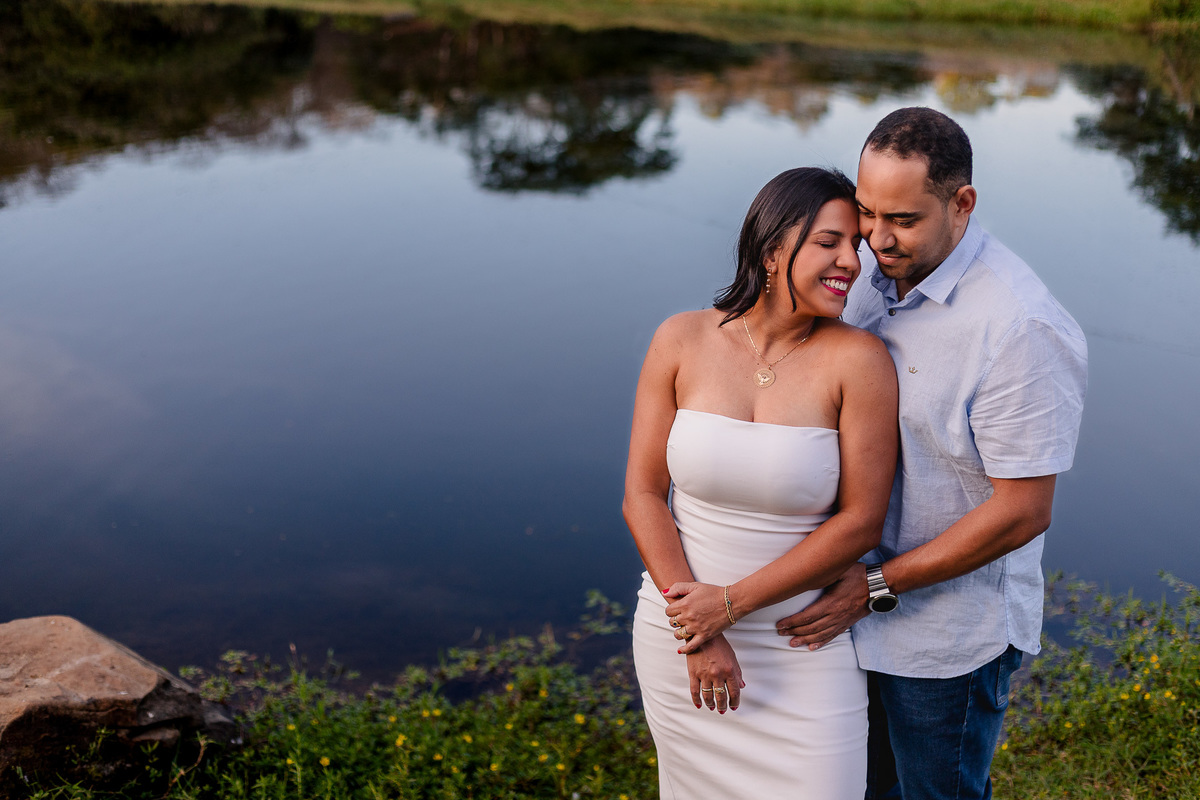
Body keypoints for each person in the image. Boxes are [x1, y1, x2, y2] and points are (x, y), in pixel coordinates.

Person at [774, 107, 1088, 800]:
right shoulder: (860, 273)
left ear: (962, 203)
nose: (875, 240)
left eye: (904, 221)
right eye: (865, 211)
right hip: (841, 610)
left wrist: (877, 586)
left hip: (945, 638)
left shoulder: (1019, 329)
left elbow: (1023, 511)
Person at [624, 166, 899, 798]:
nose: (852, 261)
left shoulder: (860, 361)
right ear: (773, 247)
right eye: (830, 242)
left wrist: (733, 604)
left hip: (800, 644)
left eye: (855, 245)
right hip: (680, 631)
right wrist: (697, 628)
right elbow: (642, 495)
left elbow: (861, 521)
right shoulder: (682, 338)